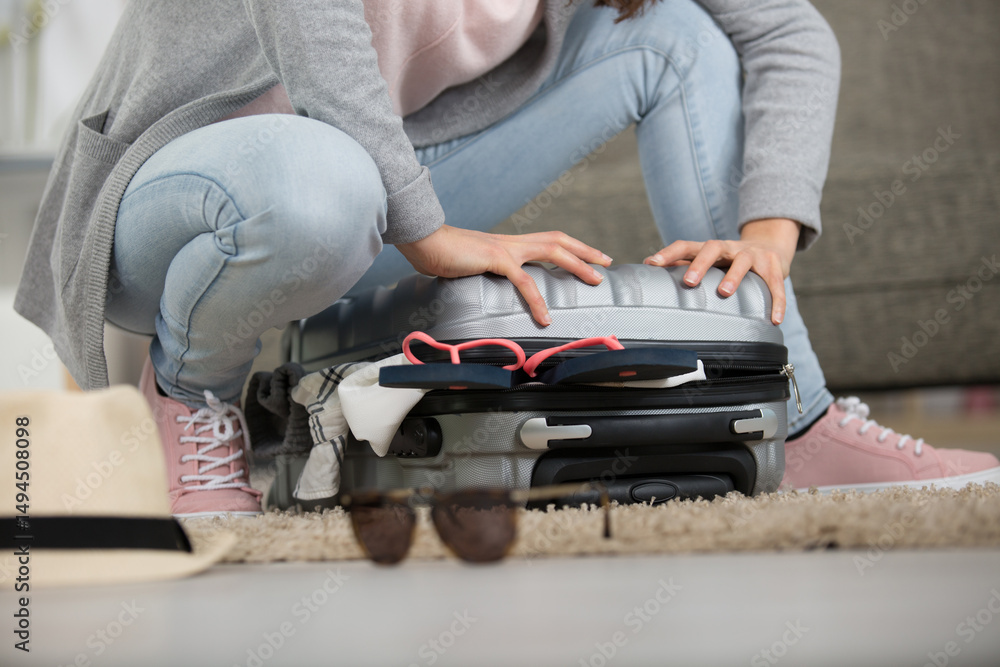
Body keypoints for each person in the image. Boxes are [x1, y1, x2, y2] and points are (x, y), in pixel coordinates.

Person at [15, 0, 999, 517]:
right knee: (326, 185)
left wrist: (768, 231)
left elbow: (784, 28)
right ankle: (188, 398)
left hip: (370, 202)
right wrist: (432, 232)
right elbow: (312, 26)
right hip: (191, 199)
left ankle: (797, 411)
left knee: (678, 36)